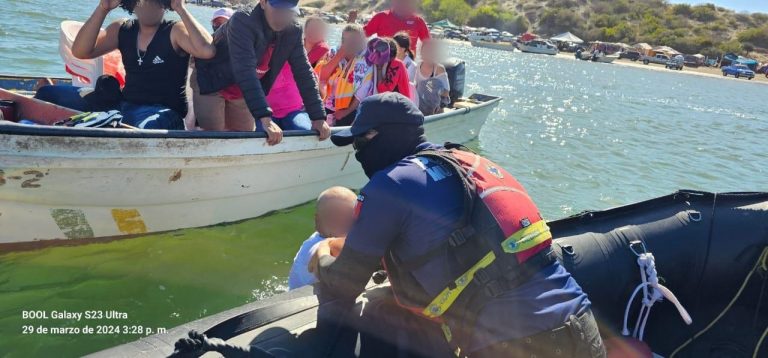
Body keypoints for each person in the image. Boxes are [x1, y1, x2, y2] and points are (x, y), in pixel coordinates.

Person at [311, 92, 606, 357]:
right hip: (583, 326)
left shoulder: (389, 184)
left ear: (380, 137)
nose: (358, 151)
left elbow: (343, 284)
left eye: (360, 141)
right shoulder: (469, 162)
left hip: (514, 345)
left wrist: (322, 252)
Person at [192, 0, 330, 144]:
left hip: (243, 90)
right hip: (213, 79)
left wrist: (318, 117)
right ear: (263, 3)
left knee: (243, 140)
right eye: (278, 9)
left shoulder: (293, 31)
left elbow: (304, 72)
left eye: (288, 12)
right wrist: (265, 117)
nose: (282, 16)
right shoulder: (242, 20)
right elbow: (245, 70)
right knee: (214, 139)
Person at [72, 0, 216, 130]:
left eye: (155, 2)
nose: (148, 6)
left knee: (141, 129)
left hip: (163, 113)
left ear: (164, 4)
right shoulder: (122, 28)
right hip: (125, 105)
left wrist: (180, 8)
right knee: (52, 93)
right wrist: (103, 8)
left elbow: (207, 50)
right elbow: (81, 52)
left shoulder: (175, 31)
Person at [288, 186, 357, 290]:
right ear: (318, 222)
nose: (344, 223)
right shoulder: (316, 247)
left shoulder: (322, 234)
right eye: (335, 218)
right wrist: (329, 243)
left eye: (350, 219)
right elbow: (341, 248)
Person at [314, 24, 368, 127]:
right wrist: (339, 55)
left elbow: (363, 92)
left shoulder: (366, 59)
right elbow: (322, 76)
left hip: (353, 108)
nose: (349, 44)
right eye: (345, 40)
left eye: (353, 41)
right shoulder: (334, 52)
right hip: (329, 103)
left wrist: (345, 112)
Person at [348, 0, 429, 53]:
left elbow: (428, 44)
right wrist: (351, 24)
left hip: (407, 68)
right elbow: (360, 35)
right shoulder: (381, 17)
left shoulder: (418, 21)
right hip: (381, 65)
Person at [415, 39, 450, 114]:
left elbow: (446, 92)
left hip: (436, 106)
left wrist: (432, 88)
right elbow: (415, 87)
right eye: (425, 51)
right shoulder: (418, 66)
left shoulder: (439, 68)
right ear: (421, 52)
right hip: (420, 104)